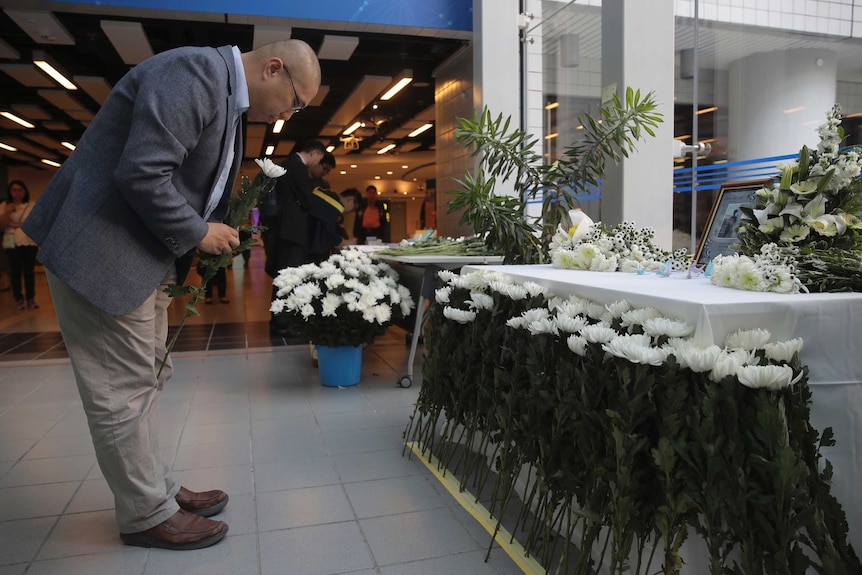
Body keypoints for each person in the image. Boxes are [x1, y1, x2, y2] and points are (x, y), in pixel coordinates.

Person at [22, 39, 321, 551]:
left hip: (137, 256)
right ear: (273, 68)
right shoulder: (195, 74)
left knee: (147, 380)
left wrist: (203, 230)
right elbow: (143, 170)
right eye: (294, 101)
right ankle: (145, 514)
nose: (288, 115)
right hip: (104, 255)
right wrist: (198, 231)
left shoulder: (220, 92)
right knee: (123, 389)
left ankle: (157, 488)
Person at [266, 139, 325, 337]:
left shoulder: (286, 163)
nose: (318, 164)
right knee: (287, 278)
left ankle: (279, 321)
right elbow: (307, 200)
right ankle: (282, 322)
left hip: (283, 228)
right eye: (319, 159)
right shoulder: (297, 166)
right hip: (292, 230)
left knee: (284, 276)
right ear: (315, 153)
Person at [1, 180, 39, 310]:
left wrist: (15, 224)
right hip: (11, 242)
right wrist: (7, 212)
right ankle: (18, 298)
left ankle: (30, 298)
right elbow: (2, 224)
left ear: (24, 191)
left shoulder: (31, 205)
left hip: (28, 241)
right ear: (10, 192)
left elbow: (34, 222)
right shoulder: (5, 205)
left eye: (19, 190)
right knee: (15, 271)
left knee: (29, 271)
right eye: (14, 190)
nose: (17, 193)